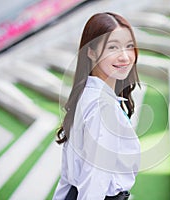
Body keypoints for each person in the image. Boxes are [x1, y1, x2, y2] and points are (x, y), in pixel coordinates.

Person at [53, 12, 140, 200]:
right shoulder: (102, 107)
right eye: (113, 47)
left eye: (129, 46)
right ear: (90, 52)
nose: (125, 56)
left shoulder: (85, 95)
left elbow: (68, 175)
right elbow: (96, 177)